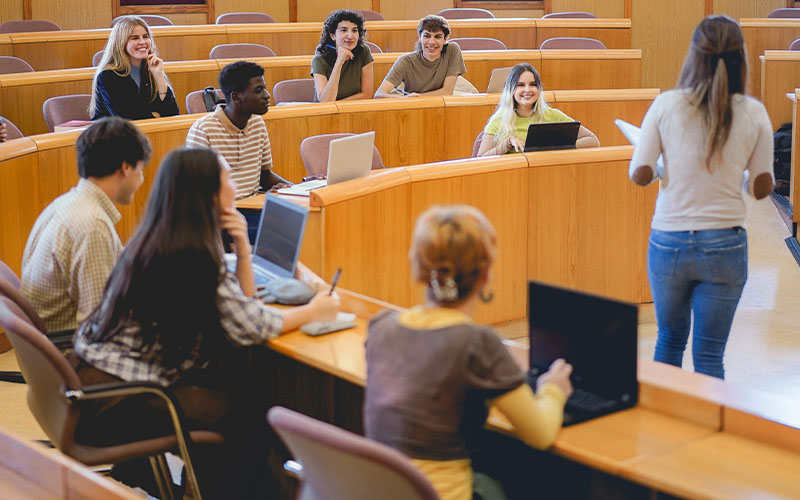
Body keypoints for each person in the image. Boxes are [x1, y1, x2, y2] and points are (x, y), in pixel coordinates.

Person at [72, 147, 339, 498]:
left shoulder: (160, 239)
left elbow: (244, 306)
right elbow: (255, 325)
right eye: (227, 178)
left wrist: (243, 247)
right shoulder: (189, 259)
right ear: (209, 192)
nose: (234, 184)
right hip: (117, 403)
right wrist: (316, 309)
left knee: (232, 382)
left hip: (97, 389)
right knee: (250, 414)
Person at [364, 204, 573, 500]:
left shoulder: (381, 327)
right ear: (486, 273)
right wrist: (553, 389)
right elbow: (540, 435)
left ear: (419, 268)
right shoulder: (477, 343)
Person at [629, 15, 774, 379]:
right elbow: (762, 188)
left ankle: (665, 427)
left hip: (670, 242)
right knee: (710, 356)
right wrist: (736, 175)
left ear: (694, 55)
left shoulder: (666, 105)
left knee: (669, 341)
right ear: (741, 56)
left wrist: (663, 166)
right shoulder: (754, 112)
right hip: (725, 244)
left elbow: (639, 173)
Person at [21, 117, 151, 335]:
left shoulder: (67, 202)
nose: (142, 178)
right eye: (141, 168)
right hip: (73, 354)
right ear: (126, 168)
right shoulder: (92, 225)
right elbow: (99, 323)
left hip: (56, 344)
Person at [186, 61, 291, 242]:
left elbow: (264, 176)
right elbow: (196, 193)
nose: (267, 96)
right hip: (219, 215)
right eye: (258, 91)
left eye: (265, 89)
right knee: (275, 235)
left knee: (298, 221)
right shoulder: (203, 129)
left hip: (253, 206)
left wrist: (297, 189)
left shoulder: (257, 123)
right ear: (236, 97)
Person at [477, 63, 599, 156]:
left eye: (533, 84)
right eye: (520, 85)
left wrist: (556, 146)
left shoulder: (553, 116)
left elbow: (592, 141)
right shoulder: (499, 120)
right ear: (511, 90)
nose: (527, 90)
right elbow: (480, 159)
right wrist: (507, 143)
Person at [90, 15, 179, 120]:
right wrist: (155, 115)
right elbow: (126, 118)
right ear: (121, 43)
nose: (142, 42)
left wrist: (159, 76)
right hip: (113, 135)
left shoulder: (150, 72)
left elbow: (172, 113)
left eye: (145, 36)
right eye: (135, 38)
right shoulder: (108, 76)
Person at [374, 15, 466, 98]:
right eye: (427, 36)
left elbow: (447, 91)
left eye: (437, 37)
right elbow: (379, 94)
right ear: (419, 37)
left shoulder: (452, 50)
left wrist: (418, 97)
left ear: (446, 39)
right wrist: (406, 99)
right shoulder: (406, 61)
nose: (432, 42)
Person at [311, 10, 374, 102]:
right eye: (344, 30)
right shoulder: (319, 60)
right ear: (333, 36)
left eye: (354, 30)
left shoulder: (363, 51)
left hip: (351, 110)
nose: (350, 36)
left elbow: (367, 94)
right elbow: (326, 102)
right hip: (324, 113)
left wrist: (340, 107)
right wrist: (339, 62)